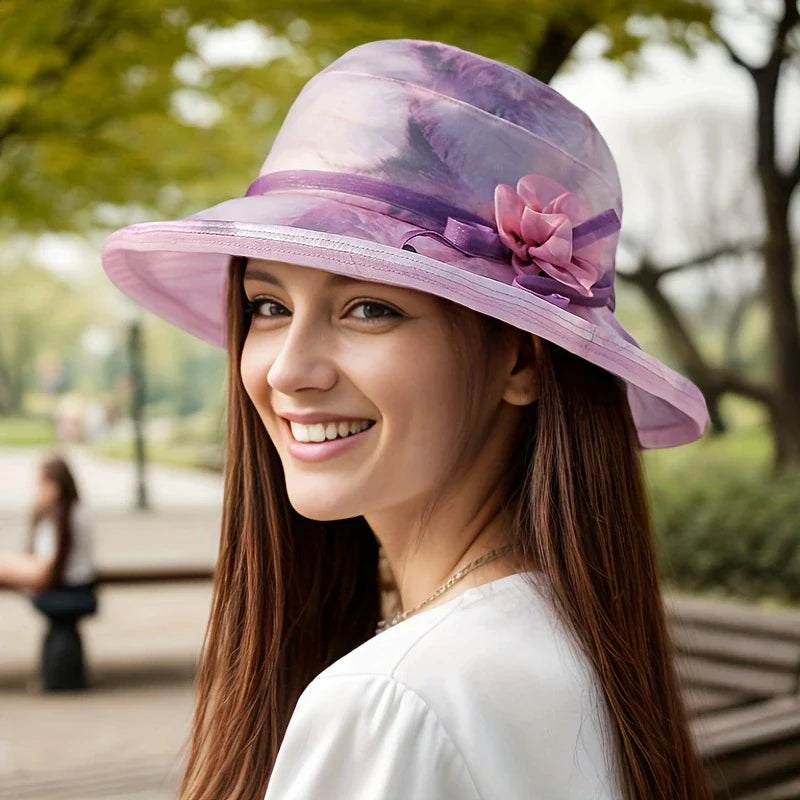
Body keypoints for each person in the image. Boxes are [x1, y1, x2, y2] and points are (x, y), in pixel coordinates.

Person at [100, 38, 713, 799]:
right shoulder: (573, 646)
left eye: (368, 308)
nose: (289, 369)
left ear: (522, 362)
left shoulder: (395, 702)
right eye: (268, 306)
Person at [0, 452, 95, 595]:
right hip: (81, 584)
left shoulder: (57, 518)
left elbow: (43, 570)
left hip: (60, 587)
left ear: (55, 485)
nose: (37, 490)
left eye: (40, 483)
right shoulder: (79, 511)